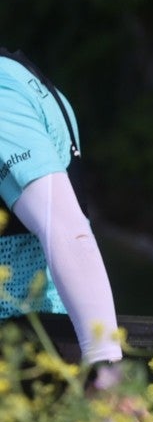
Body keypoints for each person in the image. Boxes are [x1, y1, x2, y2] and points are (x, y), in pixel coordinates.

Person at [0, 48, 124, 390]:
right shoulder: (12, 73)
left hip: (26, 354)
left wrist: (105, 372)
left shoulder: (2, 93)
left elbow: (64, 226)